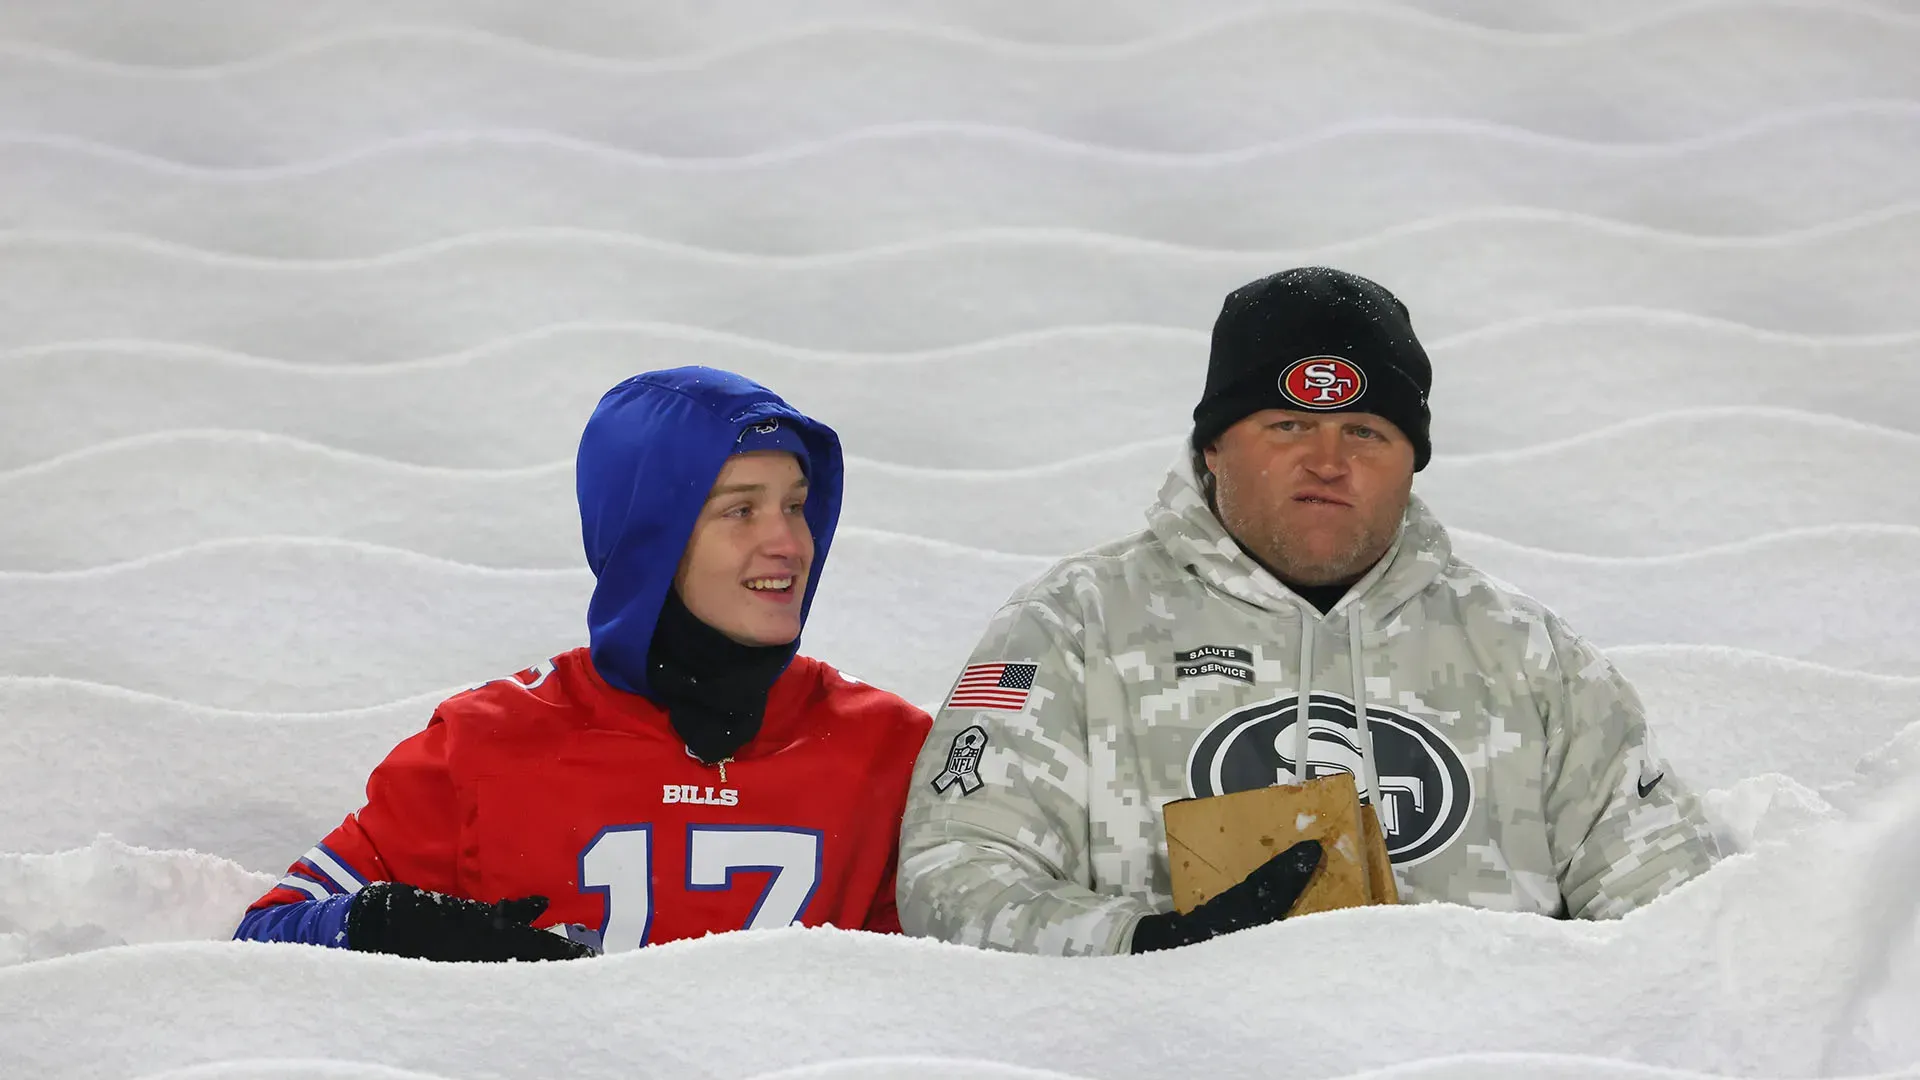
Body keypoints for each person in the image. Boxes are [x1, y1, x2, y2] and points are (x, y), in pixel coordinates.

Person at [896, 266, 1721, 956]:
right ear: (1213, 447)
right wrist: (1144, 946)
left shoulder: (1528, 655)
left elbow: (1676, 913)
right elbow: (955, 873)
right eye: (1288, 424)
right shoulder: (1072, 626)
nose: (1328, 461)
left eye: (1365, 432)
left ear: (1412, 463)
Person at [235, 367, 932, 961]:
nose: (789, 541)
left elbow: (979, 991)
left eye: (797, 506)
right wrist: (388, 928)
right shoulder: (487, 745)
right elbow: (266, 936)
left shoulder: (895, 753)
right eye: (741, 511)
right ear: (648, 540)